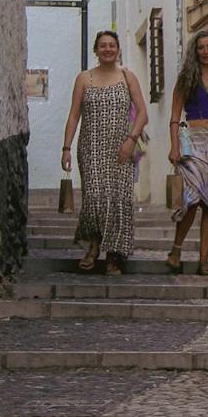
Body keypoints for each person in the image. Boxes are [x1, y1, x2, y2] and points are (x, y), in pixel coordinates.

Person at [61, 30, 148, 276]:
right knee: (95, 198)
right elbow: (74, 115)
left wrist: (131, 141)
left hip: (122, 149)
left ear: (118, 49)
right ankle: (94, 244)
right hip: (91, 148)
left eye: (112, 45)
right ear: (96, 51)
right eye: (103, 46)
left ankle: (113, 256)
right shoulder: (84, 79)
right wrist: (66, 147)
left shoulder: (127, 77)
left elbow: (142, 113)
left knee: (119, 202)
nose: (108, 49)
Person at [167, 30, 208, 275]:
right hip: (193, 140)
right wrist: (174, 146)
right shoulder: (187, 78)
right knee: (191, 201)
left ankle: (204, 260)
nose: (205, 51)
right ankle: (176, 248)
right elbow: (174, 116)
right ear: (195, 51)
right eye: (201, 47)